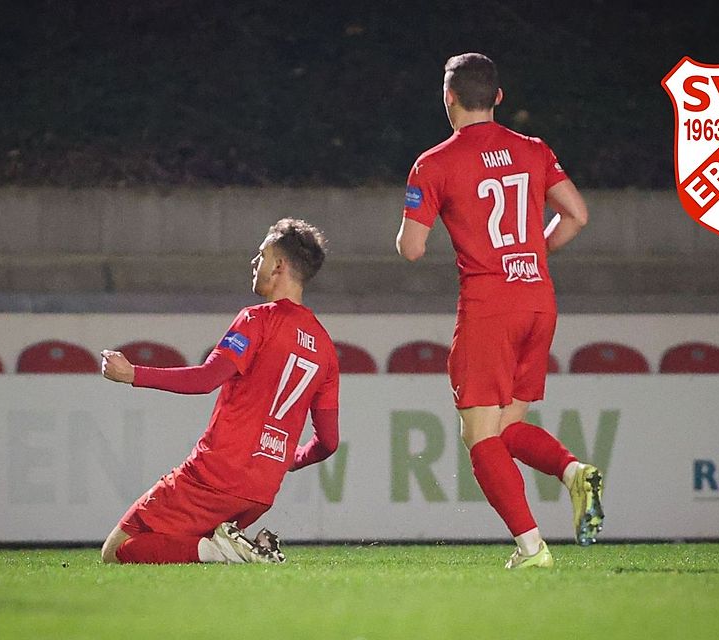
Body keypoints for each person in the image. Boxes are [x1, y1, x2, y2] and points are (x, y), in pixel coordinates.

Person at [396, 53, 600, 569]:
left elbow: (413, 248)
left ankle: (531, 548)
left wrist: (409, 225)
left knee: (478, 434)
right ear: (499, 99)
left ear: (449, 99)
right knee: (508, 427)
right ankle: (574, 471)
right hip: (538, 299)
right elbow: (576, 214)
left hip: (489, 307)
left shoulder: (434, 162)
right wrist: (531, 253)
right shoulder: (533, 149)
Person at [99, 218, 340, 565]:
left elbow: (206, 378)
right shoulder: (325, 348)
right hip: (260, 492)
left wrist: (132, 373)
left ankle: (226, 550)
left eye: (261, 255)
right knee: (180, 555)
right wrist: (288, 458)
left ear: (279, 265)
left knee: (118, 550)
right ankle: (229, 552)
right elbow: (328, 442)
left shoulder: (257, 319)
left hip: (214, 476)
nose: (254, 263)